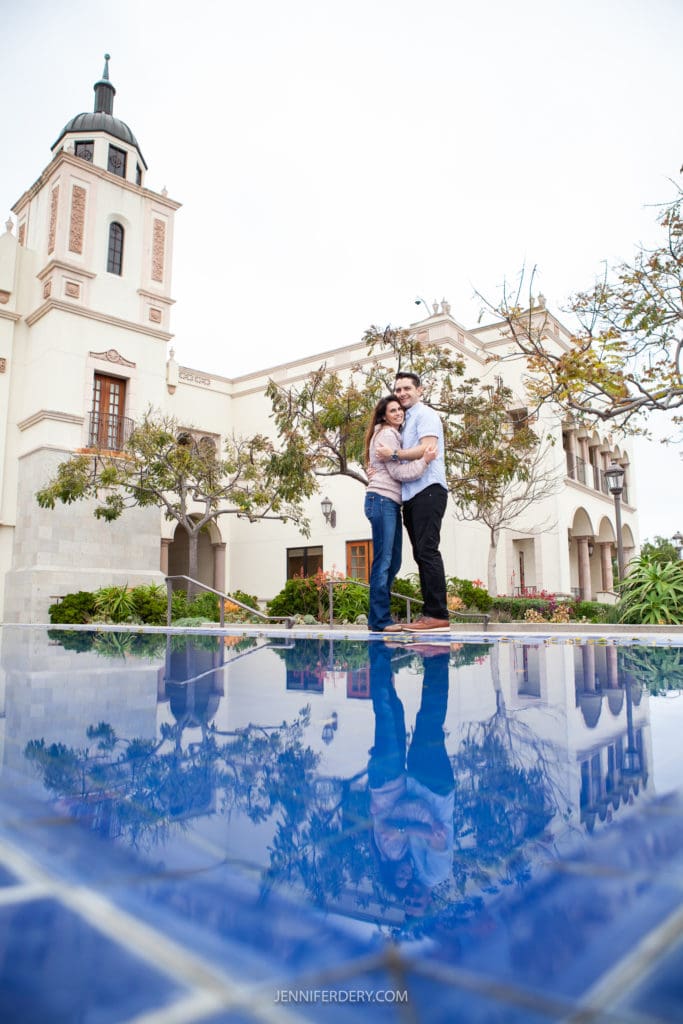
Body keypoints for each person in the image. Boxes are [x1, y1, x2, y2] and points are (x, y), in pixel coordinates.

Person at [376, 371, 449, 632]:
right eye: (398, 390)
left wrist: (393, 454)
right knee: (421, 554)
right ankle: (429, 613)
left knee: (427, 551)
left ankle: (437, 614)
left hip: (428, 489)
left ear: (420, 390)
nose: (402, 393)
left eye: (407, 388)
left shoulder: (425, 414)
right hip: (412, 495)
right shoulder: (404, 422)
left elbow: (427, 447)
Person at [364, 395, 436, 633]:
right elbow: (399, 473)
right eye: (392, 410)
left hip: (388, 502)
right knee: (384, 561)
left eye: (399, 409)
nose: (398, 413)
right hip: (382, 500)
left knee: (392, 561)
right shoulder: (387, 434)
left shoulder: (391, 434)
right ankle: (379, 620)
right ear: (384, 415)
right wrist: (424, 461)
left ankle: (380, 618)